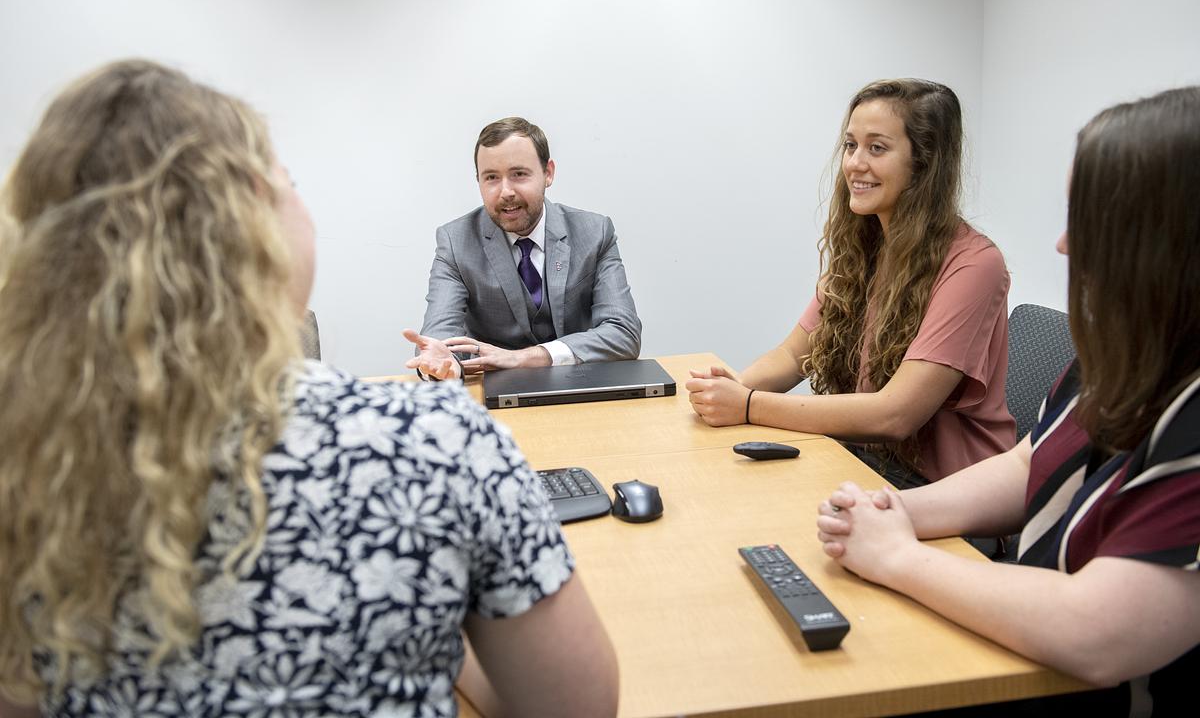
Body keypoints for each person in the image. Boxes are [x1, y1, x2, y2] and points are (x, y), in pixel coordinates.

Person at [0, 61, 618, 717]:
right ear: (256, 228)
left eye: (516, 174)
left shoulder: (25, 464)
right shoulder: (437, 438)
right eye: (288, 182)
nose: (503, 190)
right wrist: (439, 620)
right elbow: (574, 708)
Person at [816, 87, 1200, 715]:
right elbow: (1030, 465)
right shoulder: (1127, 355)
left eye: (1089, 219)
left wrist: (897, 556)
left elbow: (1096, 634)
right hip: (1025, 645)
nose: (1064, 246)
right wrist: (900, 511)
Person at [687, 79, 1014, 486]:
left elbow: (896, 415)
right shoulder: (864, 247)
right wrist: (730, 388)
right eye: (850, 145)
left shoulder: (976, 266)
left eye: (876, 148)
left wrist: (749, 405)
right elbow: (792, 357)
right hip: (862, 463)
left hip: (944, 491)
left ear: (925, 162)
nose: (855, 163)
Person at [405, 117, 641, 380]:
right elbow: (439, 340)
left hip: (582, 388)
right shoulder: (455, 241)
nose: (506, 191)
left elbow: (623, 333)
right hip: (496, 400)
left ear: (548, 173)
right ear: (478, 181)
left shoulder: (595, 232)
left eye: (519, 174)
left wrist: (525, 358)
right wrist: (446, 364)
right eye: (491, 177)